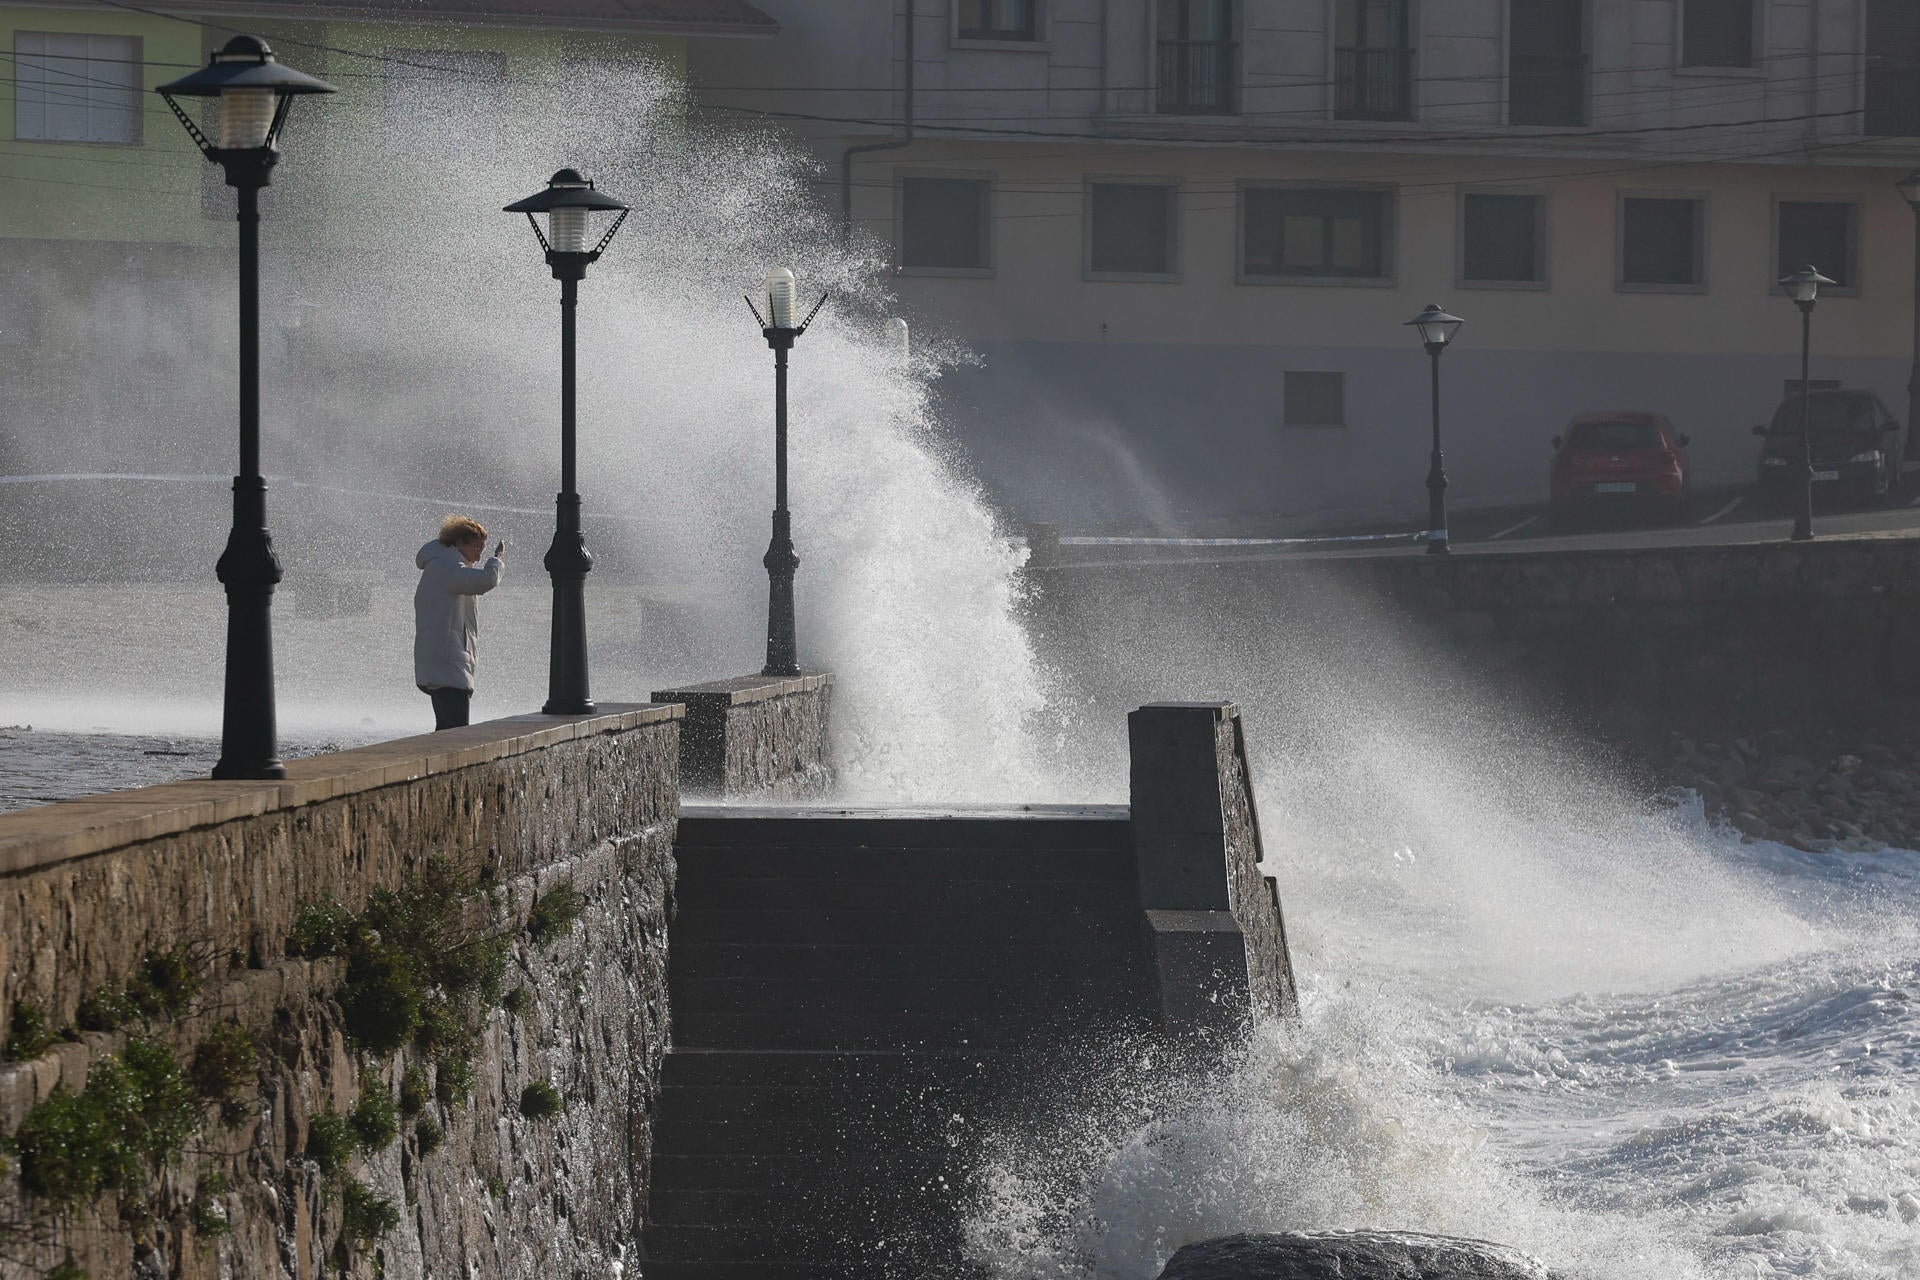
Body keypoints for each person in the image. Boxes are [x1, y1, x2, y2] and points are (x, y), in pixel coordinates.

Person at [414, 515, 504, 730]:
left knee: (448, 729)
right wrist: (497, 560)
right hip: (447, 665)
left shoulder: (443, 564)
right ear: (459, 542)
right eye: (476, 547)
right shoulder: (446, 567)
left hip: (442, 663)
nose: (479, 555)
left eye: (483, 550)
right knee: (454, 733)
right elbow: (484, 581)